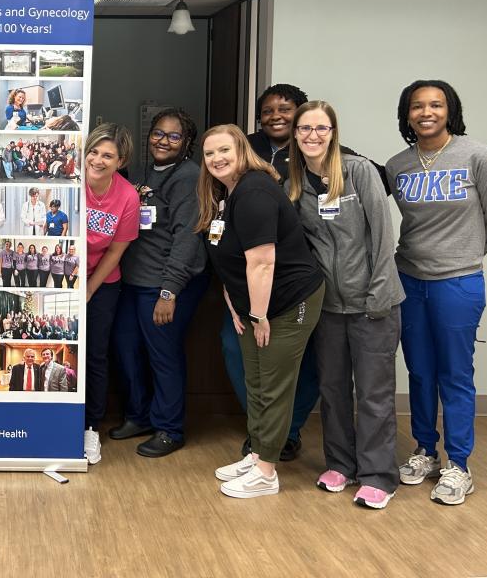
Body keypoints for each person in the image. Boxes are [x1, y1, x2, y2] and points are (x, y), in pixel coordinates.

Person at [386, 80, 487, 506]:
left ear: (449, 110)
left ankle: (458, 464)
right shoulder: (398, 164)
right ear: (406, 114)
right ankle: (424, 450)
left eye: (435, 105)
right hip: (409, 279)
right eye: (417, 106)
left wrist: (465, 255)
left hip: (458, 282)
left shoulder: (477, 155)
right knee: (419, 371)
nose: (426, 112)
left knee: (454, 373)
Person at [197, 124, 324, 499]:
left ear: (242, 151)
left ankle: (267, 472)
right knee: (255, 379)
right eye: (209, 154)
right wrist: (236, 303)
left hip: (286, 302)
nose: (217, 159)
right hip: (253, 304)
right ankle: (256, 454)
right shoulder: (228, 193)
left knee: (273, 385)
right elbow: (231, 260)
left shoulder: (253, 191)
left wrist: (259, 314)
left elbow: (263, 263)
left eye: (224, 151)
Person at [288, 101, 405, 509]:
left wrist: (378, 294)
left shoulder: (359, 172)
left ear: (333, 132)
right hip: (329, 308)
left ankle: (378, 475)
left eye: (321, 128)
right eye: (304, 128)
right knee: (333, 390)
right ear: (295, 134)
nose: (312, 135)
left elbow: (382, 237)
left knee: (374, 394)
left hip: (374, 303)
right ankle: (341, 465)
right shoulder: (296, 184)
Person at [113, 108, 209, 458]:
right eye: (158, 133)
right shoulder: (137, 171)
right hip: (134, 280)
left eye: (173, 136)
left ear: (187, 144)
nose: (163, 141)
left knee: (163, 355)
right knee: (125, 347)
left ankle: (169, 428)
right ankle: (139, 416)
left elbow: (187, 238)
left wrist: (169, 292)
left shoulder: (189, 177)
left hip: (168, 283)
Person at [83, 124, 140, 464]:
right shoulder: (70, 182)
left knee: (95, 355)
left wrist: (88, 290)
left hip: (102, 283)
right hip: (60, 277)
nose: (98, 160)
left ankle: (90, 427)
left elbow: (116, 252)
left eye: (108, 155)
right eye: (94, 152)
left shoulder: (128, 196)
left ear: (121, 161)